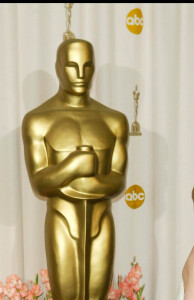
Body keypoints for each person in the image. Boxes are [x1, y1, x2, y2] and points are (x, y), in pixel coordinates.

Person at [22, 38, 129, 300]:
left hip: (101, 220)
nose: (81, 75)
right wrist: (73, 167)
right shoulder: (38, 120)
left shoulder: (114, 120)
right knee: (66, 296)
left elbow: (117, 181)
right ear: (58, 68)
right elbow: (40, 184)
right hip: (62, 218)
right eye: (71, 66)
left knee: (97, 295)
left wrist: (79, 183)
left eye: (87, 66)